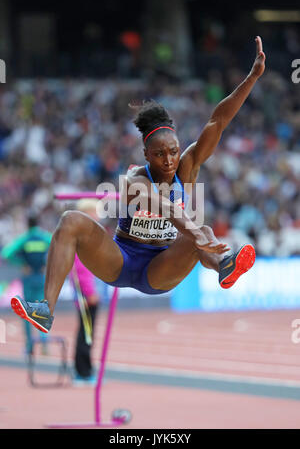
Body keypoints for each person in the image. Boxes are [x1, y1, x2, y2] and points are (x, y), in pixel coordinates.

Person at [10, 36, 265, 334]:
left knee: (203, 231)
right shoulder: (135, 181)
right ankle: (45, 310)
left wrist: (251, 78)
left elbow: (218, 122)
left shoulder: (188, 166)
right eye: (159, 154)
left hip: (160, 269)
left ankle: (224, 264)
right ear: (146, 155)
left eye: (173, 151)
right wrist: (198, 234)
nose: (169, 160)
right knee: (70, 220)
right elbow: (168, 209)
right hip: (120, 262)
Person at [1, 213, 51, 353]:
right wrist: (47, 263)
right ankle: (44, 342)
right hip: (41, 277)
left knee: (27, 311)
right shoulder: (45, 238)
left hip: (28, 278)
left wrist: (21, 263)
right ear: (38, 222)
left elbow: (6, 253)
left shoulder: (24, 239)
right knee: (41, 309)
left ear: (27, 223)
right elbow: (58, 247)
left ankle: (29, 346)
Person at [70, 199, 101, 386]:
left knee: (85, 332)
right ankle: (84, 372)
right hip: (85, 293)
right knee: (86, 333)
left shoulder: (82, 234)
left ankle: (83, 370)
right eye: (94, 212)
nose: (97, 216)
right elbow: (81, 268)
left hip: (84, 291)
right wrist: (90, 292)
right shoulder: (83, 236)